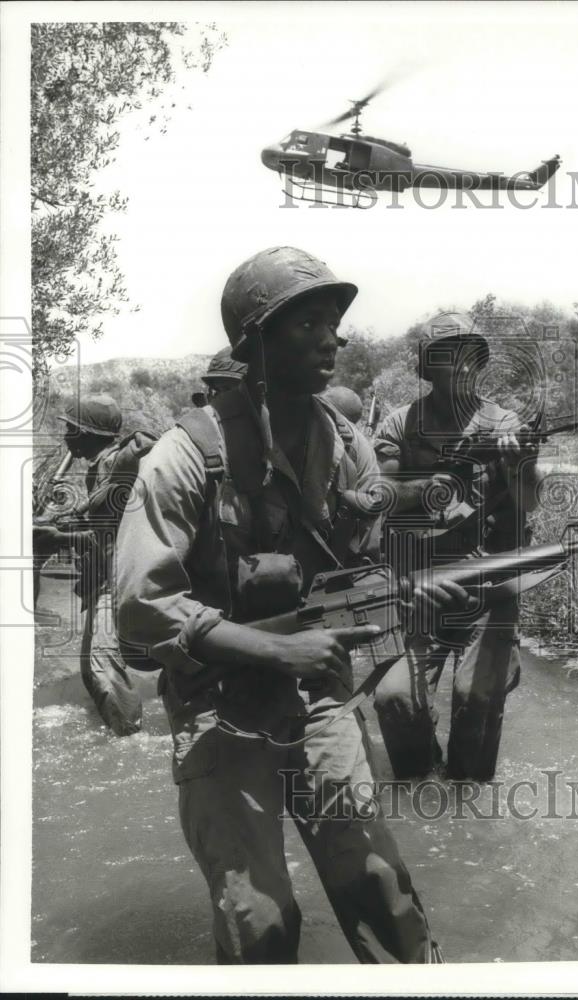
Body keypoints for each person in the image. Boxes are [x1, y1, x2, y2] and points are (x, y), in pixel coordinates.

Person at [115, 246, 460, 964]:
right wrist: (275, 648)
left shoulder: (342, 444)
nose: (330, 337)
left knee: (378, 886)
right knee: (261, 919)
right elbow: (141, 608)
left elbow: (354, 568)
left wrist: (408, 588)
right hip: (219, 706)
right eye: (306, 323)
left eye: (333, 321)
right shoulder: (185, 458)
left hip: (319, 696)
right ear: (255, 342)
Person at [373, 311, 541, 782]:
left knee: (475, 698)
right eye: (449, 357)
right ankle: (420, 788)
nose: (463, 366)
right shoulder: (399, 425)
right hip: (416, 586)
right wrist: (438, 485)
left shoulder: (503, 421)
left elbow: (529, 503)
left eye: (471, 356)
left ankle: (470, 805)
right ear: (428, 367)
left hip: (487, 581)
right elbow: (379, 499)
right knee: (395, 700)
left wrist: (520, 463)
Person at [35, 394, 143, 736]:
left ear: (86, 433)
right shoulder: (100, 468)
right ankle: (118, 731)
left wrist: (58, 538)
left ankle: (130, 744)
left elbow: (111, 540)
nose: (66, 436)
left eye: (70, 429)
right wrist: (65, 524)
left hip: (117, 577)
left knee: (102, 666)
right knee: (91, 665)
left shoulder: (112, 467)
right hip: (106, 577)